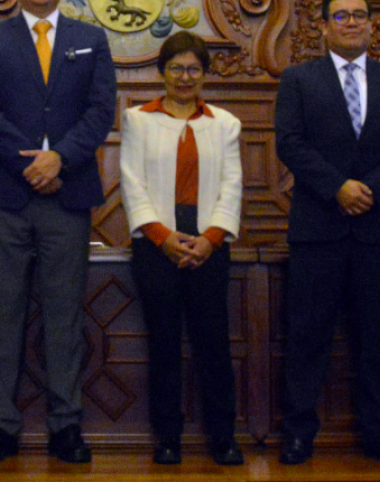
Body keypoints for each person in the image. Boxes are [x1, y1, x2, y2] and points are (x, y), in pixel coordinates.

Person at [0, 0, 117, 465]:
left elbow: (100, 114)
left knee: (63, 315)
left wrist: (60, 160)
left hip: (67, 194)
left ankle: (66, 425)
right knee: (2, 314)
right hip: (5, 194)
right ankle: (0, 426)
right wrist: (31, 162)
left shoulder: (90, 39)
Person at [274, 0, 380, 466]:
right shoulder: (299, 80)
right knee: (307, 335)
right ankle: (298, 433)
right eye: (341, 16)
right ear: (323, 26)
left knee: (377, 336)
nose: (352, 22)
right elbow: (290, 143)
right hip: (318, 227)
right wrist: (337, 186)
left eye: (360, 15)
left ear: (371, 24)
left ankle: (379, 434)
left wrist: (371, 189)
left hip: (377, 229)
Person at [120, 30, 244, 466]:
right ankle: (167, 437)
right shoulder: (138, 119)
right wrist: (162, 237)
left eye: (193, 68)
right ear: (162, 72)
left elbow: (231, 187)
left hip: (209, 243)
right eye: (176, 68)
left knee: (213, 343)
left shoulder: (225, 123)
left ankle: (223, 438)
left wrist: (210, 240)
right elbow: (131, 183)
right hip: (156, 244)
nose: (185, 76)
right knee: (165, 344)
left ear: (205, 74)